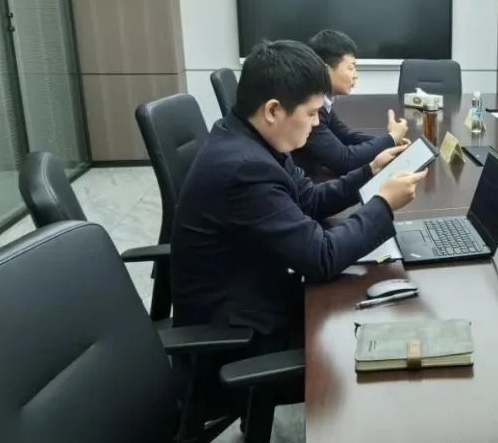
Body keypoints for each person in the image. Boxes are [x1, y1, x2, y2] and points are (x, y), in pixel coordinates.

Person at [172, 40, 427, 348]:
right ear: (273, 110)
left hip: (261, 286)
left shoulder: (253, 137)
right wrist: (383, 203)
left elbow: (310, 199)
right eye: (311, 113)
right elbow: (322, 257)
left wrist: (370, 171)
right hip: (240, 331)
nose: (317, 122)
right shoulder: (246, 168)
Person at [293, 29, 409, 178]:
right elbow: (344, 161)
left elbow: (345, 136)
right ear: (325, 70)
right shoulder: (308, 108)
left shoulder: (322, 101)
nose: (355, 75)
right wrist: (391, 138)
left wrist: (389, 141)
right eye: (351, 67)